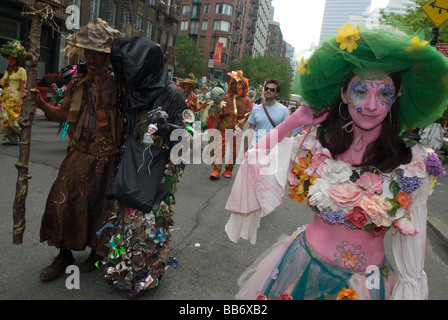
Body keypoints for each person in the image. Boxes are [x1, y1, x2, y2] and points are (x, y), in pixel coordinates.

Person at [224, 24, 448, 300]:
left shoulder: (411, 165)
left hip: (365, 288)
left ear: (396, 96)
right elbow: (254, 158)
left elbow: (412, 259)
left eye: (383, 94)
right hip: (302, 270)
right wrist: (294, 121)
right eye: (360, 91)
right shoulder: (317, 146)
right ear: (343, 94)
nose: (371, 105)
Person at [29, 18, 125, 281]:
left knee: (101, 206)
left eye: (98, 53)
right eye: (88, 53)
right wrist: (40, 103)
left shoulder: (121, 87)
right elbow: (62, 115)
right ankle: (64, 253)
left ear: (108, 56)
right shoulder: (78, 84)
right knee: (63, 200)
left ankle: (98, 252)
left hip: (108, 156)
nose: (91, 59)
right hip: (79, 152)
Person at [102, 36, 187, 298]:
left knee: (150, 221)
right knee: (127, 218)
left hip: (159, 167)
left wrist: (168, 129)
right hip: (132, 160)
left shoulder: (171, 93)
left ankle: (148, 274)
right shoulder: (132, 89)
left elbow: (185, 137)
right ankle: (125, 268)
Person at [209, 70, 252, 180]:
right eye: (232, 84)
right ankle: (216, 169)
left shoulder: (247, 100)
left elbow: (247, 114)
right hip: (224, 126)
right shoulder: (225, 97)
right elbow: (218, 113)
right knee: (220, 148)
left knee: (233, 150)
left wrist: (241, 122)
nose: (234, 87)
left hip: (237, 128)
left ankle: (229, 170)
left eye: (236, 84)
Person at [245, 79, 289, 151]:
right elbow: (250, 130)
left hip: (273, 149)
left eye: (272, 90)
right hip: (256, 147)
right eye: (266, 89)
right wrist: (244, 150)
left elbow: (287, 132)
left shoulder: (283, 110)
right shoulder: (256, 109)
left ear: (277, 93)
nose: (268, 91)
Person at [0, 40, 27, 145]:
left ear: (17, 59)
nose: (9, 60)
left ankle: (22, 135)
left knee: (12, 119)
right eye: (8, 58)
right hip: (5, 96)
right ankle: (12, 139)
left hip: (15, 97)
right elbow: (3, 82)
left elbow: (23, 85)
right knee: (3, 118)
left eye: (12, 58)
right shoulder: (7, 70)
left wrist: (21, 99)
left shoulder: (21, 71)